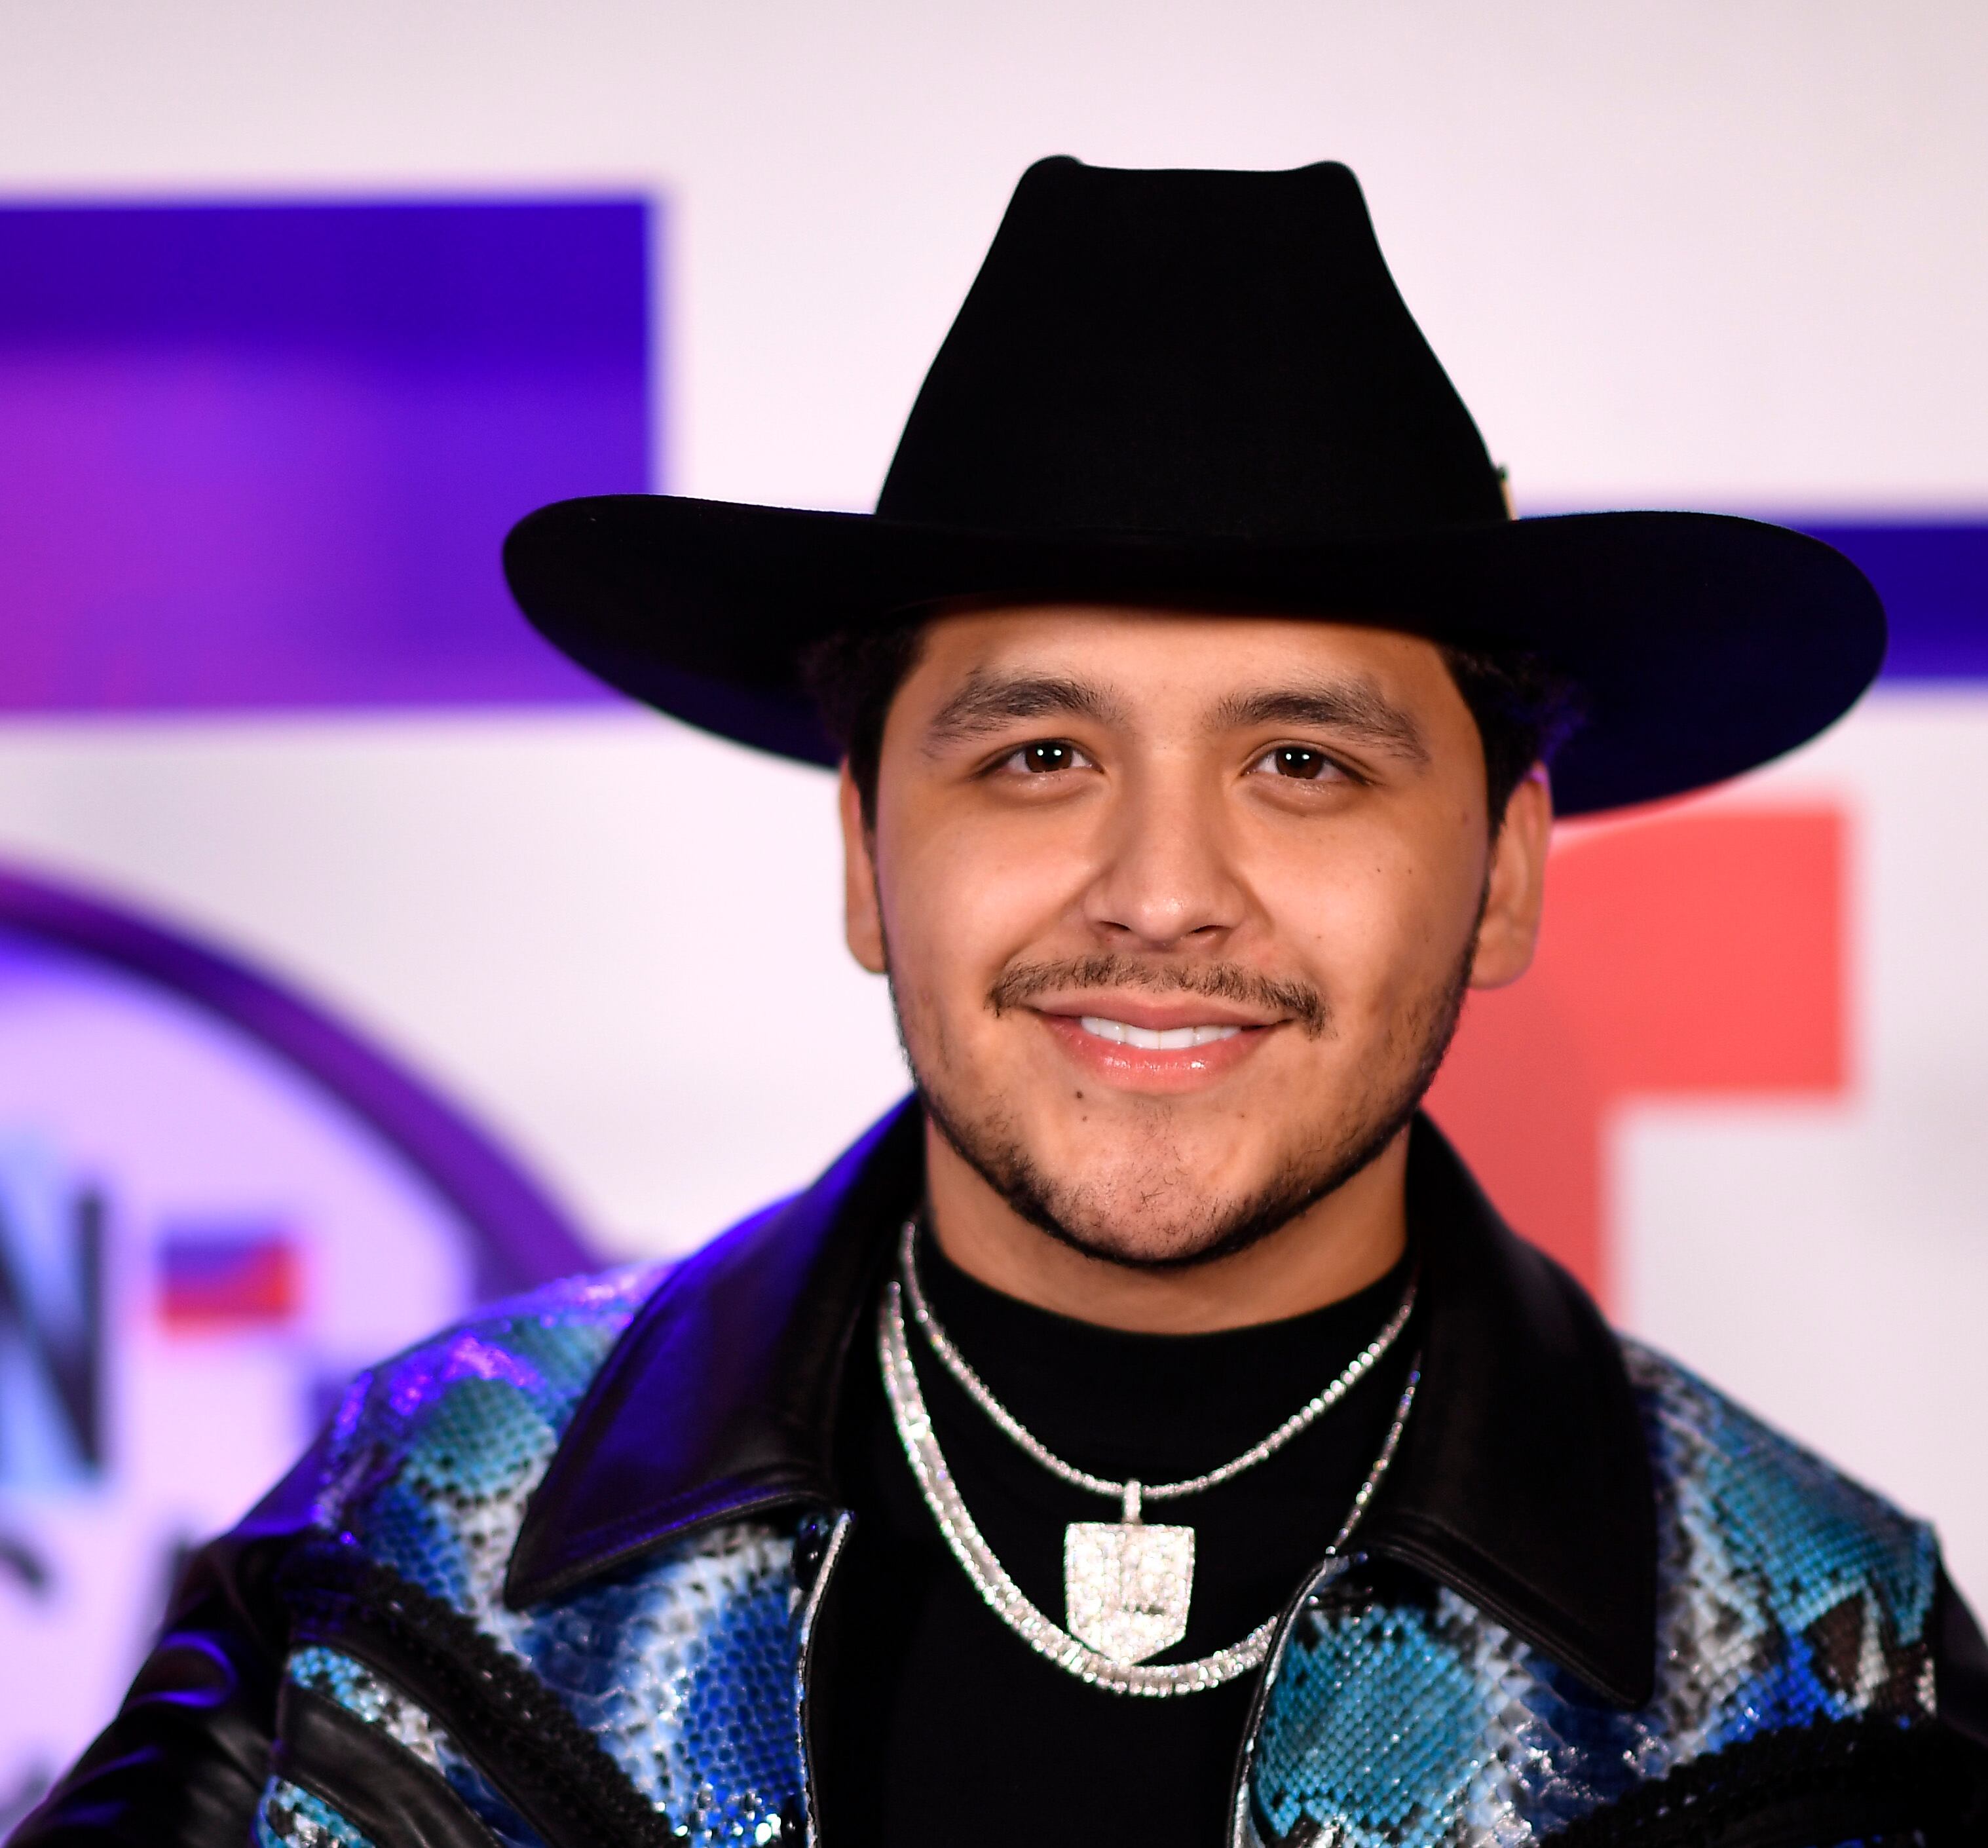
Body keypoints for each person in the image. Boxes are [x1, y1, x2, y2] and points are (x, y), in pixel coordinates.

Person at [17, 156, 1988, 1848]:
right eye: (1040, 756)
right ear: (865, 850)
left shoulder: (1827, 1667)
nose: (1161, 891)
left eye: (1303, 762)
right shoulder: (409, 1545)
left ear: (1505, 871)